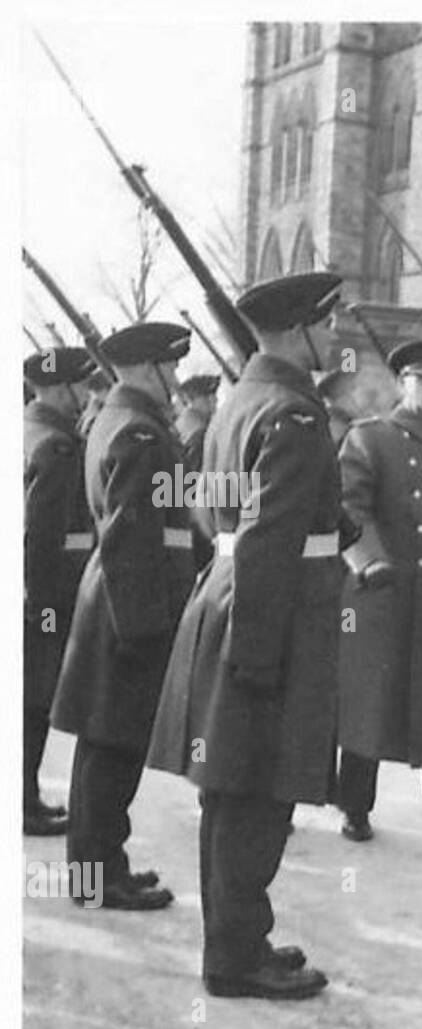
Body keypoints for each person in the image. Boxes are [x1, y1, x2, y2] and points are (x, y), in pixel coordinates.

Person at [147, 272, 347, 1000]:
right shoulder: (294, 413)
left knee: (231, 790)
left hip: (235, 599)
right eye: (329, 324)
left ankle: (237, 940)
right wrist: (258, 657)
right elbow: (268, 539)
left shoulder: (240, 402)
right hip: (272, 618)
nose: (338, 336)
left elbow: (217, 515)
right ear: (299, 331)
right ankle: (235, 957)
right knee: (258, 794)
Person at [50, 323, 195, 910]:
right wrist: (143, 626)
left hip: (114, 604)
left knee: (103, 748)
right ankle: (98, 879)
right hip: (129, 611)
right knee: (112, 752)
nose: (178, 380)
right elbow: (131, 535)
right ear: (147, 369)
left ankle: (103, 867)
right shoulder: (139, 432)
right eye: (172, 368)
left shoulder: (120, 421)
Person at [336, 338, 422, 849]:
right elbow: (350, 508)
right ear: (401, 384)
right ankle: (355, 805)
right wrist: (369, 562)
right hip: (381, 593)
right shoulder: (369, 439)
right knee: (369, 704)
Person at [23, 347, 96, 837]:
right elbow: (40, 535)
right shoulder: (59, 446)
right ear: (60, 388)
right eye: (81, 385)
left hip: (33, 590)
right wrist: (42, 605)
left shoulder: (29, 431)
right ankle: (23, 802)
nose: (88, 395)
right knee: (35, 700)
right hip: (47, 592)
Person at [175, 373, 222, 571]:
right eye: (207, 397)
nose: (214, 402)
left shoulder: (178, 427)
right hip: (198, 526)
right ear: (190, 401)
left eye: (214, 396)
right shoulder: (200, 435)